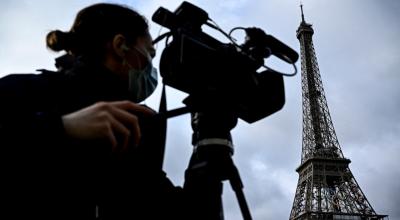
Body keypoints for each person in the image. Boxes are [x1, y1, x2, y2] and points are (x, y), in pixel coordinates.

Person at [0, 3, 184, 219]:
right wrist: (63, 128)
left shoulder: (133, 125)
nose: (151, 67)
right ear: (121, 46)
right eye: (149, 54)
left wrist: (211, 145)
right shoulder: (24, 90)